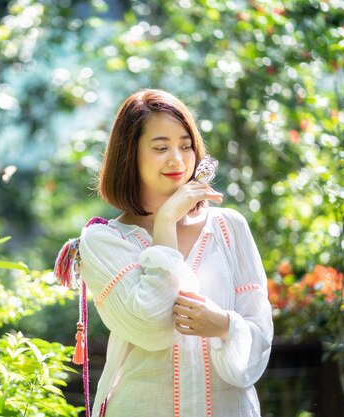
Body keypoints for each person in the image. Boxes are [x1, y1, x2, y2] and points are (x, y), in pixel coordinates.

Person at [55, 89, 273, 417]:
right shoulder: (102, 242)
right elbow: (154, 327)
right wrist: (167, 220)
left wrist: (224, 325)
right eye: (160, 148)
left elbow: (259, 339)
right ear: (130, 155)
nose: (177, 159)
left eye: (186, 145)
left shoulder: (229, 228)